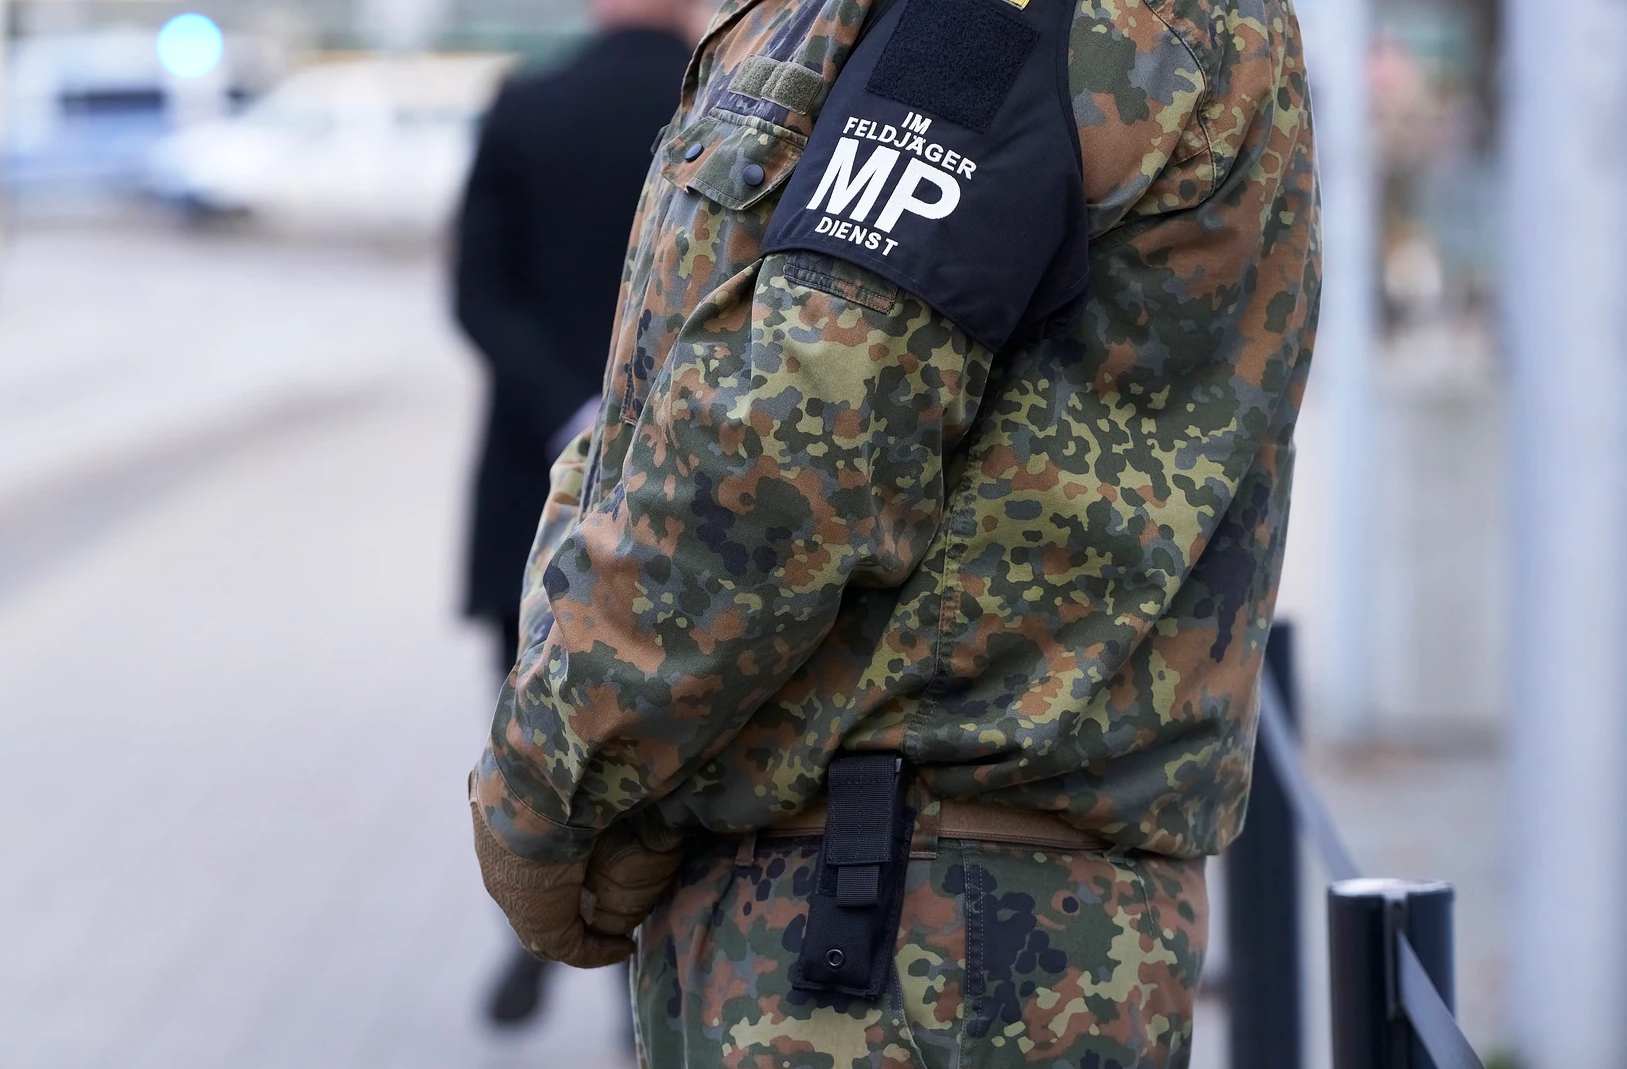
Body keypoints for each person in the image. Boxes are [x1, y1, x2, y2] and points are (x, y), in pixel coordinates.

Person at [469, 0, 1319, 1062]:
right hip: (891, 909)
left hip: (900, 931)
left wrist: (544, 789)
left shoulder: (980, 20)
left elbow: (788, 456)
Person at [452, 0, 700, 1029]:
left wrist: (573, 408)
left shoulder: (525, 104)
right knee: (669, 744)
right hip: (687, 483)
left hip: (530, 476)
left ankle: (537, 921)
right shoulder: (727, 103)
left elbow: (475, 294)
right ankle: (637, 993)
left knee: (529, 718)